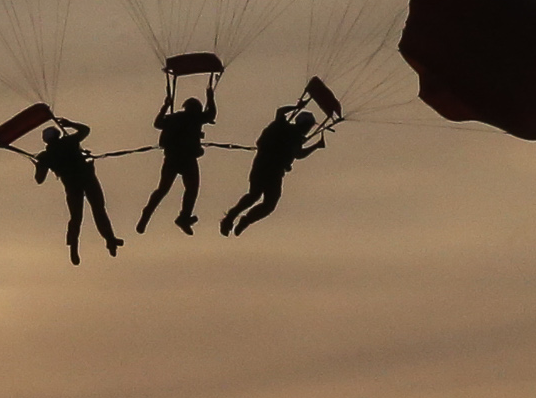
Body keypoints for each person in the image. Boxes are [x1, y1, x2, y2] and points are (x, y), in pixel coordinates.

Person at [18, 120, 122, 262]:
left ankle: (74, 245)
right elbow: (85, 129)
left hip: (73, 186)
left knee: (76, 217)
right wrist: (70, 123)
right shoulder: (69, 142)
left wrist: (39, 165)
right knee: (99, 210)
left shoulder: (46, 156)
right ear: (58, 135)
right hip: (87, 179)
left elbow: (39, 180)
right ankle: (110, 239)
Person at [220, 102, 324, 235]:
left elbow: (280, 111)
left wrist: (297, 107)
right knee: (268, 203)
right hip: (272, 171)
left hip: (261, 165)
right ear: (304, 125)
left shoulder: (281, 125)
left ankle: (231, 219)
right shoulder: (293, 135)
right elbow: (299, 154)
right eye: (308, 126)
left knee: (254, 195)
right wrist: (316, 146)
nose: (308, 129)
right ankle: (243, 221)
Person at [138, 79, 215, 233]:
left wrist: (165, 106)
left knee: (164, 189)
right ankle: (184, 217)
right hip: (186, 159)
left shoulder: (174, 118)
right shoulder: (195, 118)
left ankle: (148, 214)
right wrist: (210, 97)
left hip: (173, 158)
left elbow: (158, 123)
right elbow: (211, 114)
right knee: (191, 188)